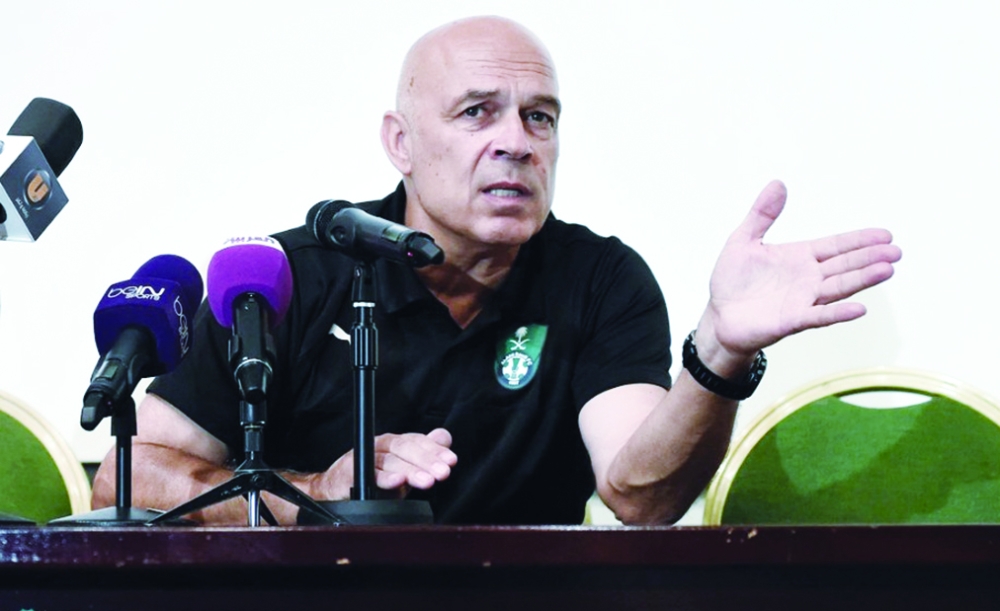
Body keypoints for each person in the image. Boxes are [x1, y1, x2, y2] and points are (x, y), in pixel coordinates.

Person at [91, 15, 901, 525]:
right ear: (402, 143)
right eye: (478, 112)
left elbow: (640, 495)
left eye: (539, 117)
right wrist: (314, 490)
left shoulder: (600, 279)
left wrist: (719, 351)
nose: (516, 141)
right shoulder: (285, 277)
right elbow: (129, 480)